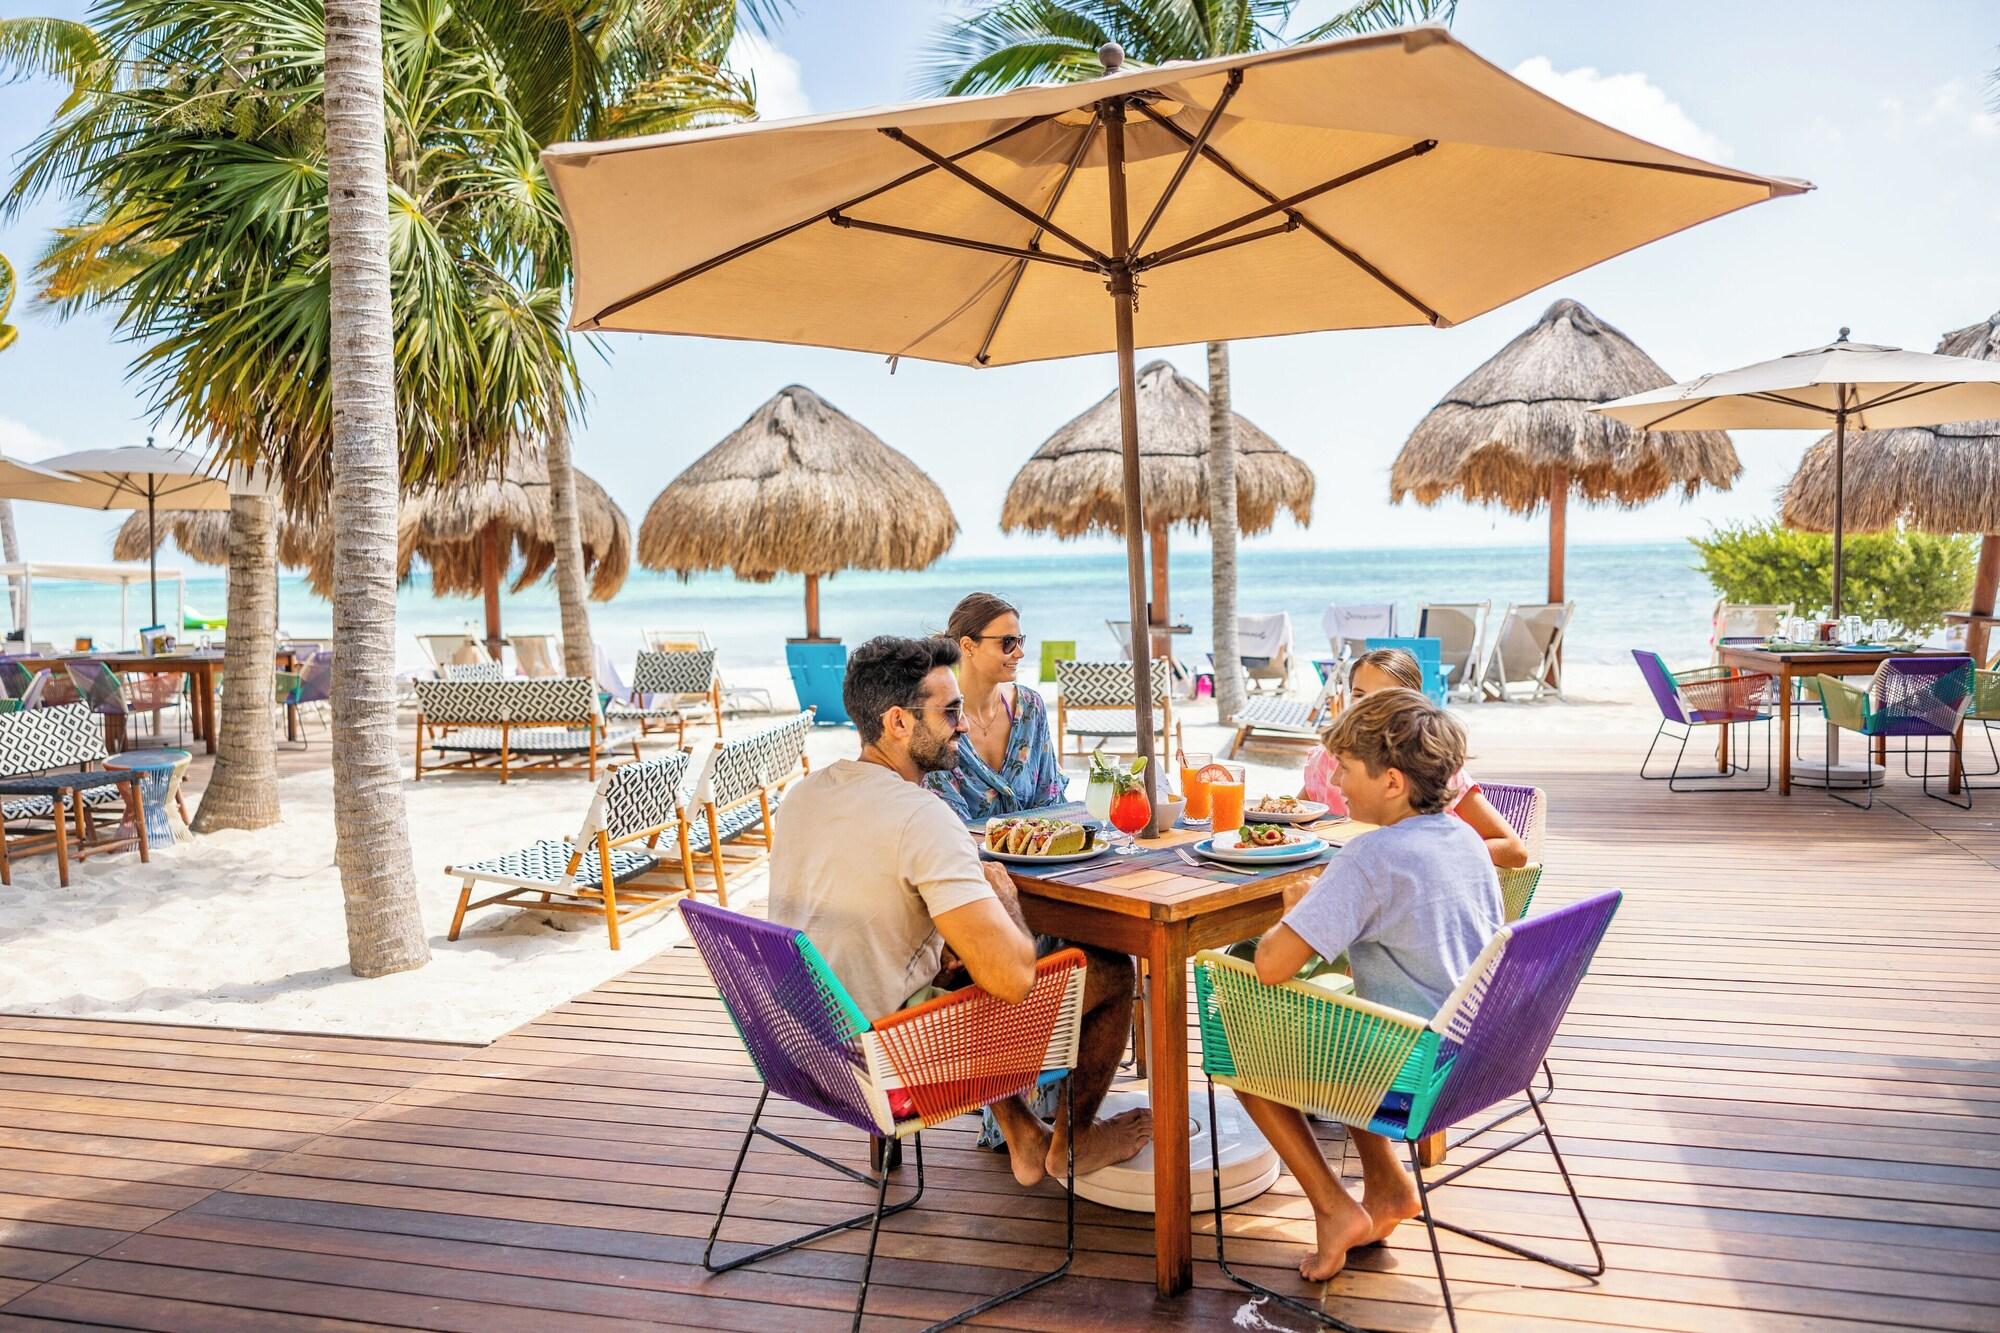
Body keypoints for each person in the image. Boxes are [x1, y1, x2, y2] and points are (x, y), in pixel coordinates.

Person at [768, 634, 1150, 1185]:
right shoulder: (922, 817)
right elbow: (1014, 980)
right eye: (949, 712)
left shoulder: (803, 797)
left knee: (961, 962)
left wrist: (945, 945)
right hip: (888, 1062)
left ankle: (1024, 1136)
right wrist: (1006, 903)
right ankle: (1077, 1140)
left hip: (798, 1043)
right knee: (1110, 969)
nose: (965, 725)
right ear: (898, 722)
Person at [1241, 688, 1504, 1282]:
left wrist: (1296, 911)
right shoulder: (1465, 837)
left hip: (1412, 1074)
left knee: (1246, 1041)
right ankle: (1387, 1188)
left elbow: (1273, 965)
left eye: (1345, 768)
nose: (1335, 781)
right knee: (1354, 1014)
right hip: (1479, 1057)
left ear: (1391, 781)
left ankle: (1334, 1209)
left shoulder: (1368, 857)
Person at [1304, 647, 1528, 868]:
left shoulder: (1431, 767)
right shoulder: (1327, 759)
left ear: (1411, 704)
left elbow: (1513, 849)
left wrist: (1427, 857)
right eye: (1359, 695)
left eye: (1383, 698)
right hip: (1351, 874)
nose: (1367, 708)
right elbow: (1296, 818)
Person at [923, 593, 1067, 821]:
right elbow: (948, 822)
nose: (1020, 653)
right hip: (962, 844)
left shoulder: (1030, 708)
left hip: (1040, 844)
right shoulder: (935, 721)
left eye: (1020, 641)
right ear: (968, 646)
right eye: (1008, 642)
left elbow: (1051, 801)